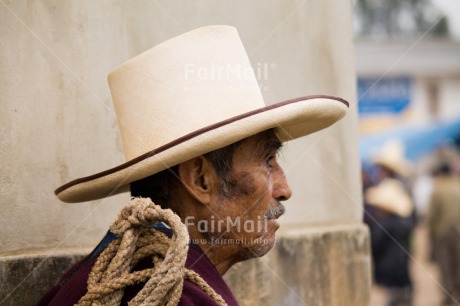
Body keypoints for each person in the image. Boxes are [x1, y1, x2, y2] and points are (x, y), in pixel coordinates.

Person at [37, 25, 349, 305]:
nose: (284, 190)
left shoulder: (94, 281)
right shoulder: (173, 297)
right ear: (200, 180)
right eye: (268, 161)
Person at [364, 140, 416, 306]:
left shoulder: (386, 222)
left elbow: (376, 243)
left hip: (390, 271)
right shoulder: (402, 214)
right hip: (400, 268)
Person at [426, 163, 460, 305]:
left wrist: (431, 235)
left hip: (443, 233)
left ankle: (449, 297)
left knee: (445, 266)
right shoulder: (458, 187)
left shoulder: (437, 190)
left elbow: (431, 217)